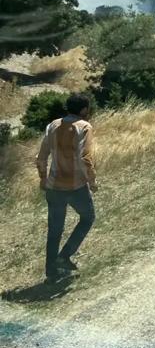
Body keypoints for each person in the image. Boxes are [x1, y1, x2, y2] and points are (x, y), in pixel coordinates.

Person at [36, 93, 97, 283]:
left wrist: (43, 178)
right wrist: (92, 182)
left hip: (54, 186)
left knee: (55, 229)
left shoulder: (52, 125)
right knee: (88, 217)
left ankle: (51, 273)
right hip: (75, 185)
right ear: (84, 110)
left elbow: (41, 157)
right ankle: (64, 256)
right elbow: (85, 159)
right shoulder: (84, 127)